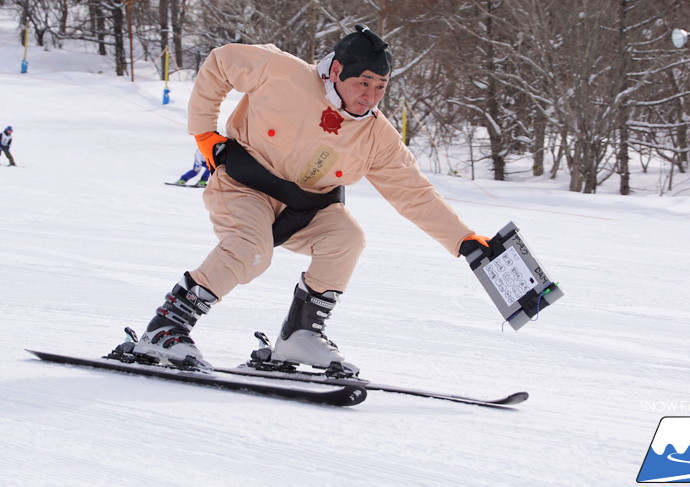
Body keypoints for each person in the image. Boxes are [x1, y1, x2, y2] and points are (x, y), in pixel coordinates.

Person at [132, 25, 493, 371]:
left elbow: (414, 192)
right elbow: (222, 61)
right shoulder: (283, 73)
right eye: (362, 83)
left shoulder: (375, 135)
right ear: (336, 70)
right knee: (250, 251)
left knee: (346, 238)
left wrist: (462, 238)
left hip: (305, 208)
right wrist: (203, 131)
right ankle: (165, 328)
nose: (370, 96)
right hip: (244, 187)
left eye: (380, 86)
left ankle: (300, 336)